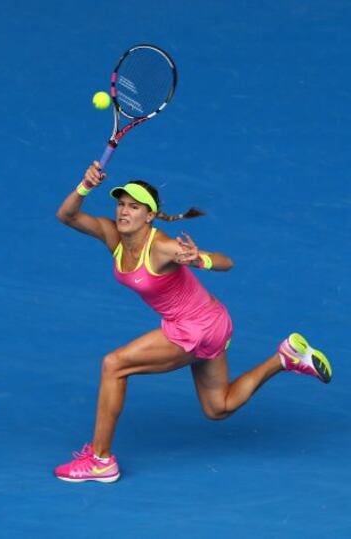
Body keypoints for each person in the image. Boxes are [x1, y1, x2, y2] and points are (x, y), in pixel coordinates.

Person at [54, 161, 332, 483]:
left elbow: (227, 262)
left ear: (151, 215)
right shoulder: (111, 235)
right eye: (120, 204)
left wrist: (201, 259)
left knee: (114, 365)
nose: (123, 212)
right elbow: (67, 215)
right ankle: (284, 357)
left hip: (197, 327)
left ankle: (101, 460)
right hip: (211, 322)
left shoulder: (162, 247)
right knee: (219, 407)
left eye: (134, 206)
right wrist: (85, 186)